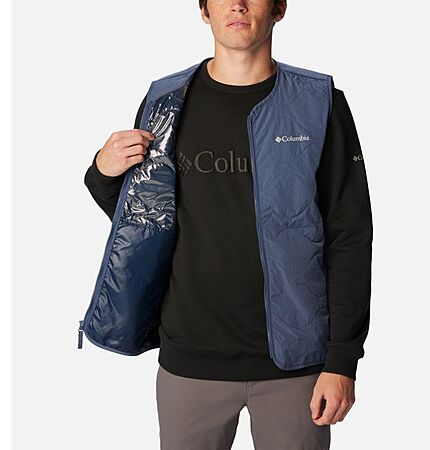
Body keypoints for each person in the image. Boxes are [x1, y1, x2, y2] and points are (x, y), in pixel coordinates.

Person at [83, 1, 373, 449]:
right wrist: (102, 172)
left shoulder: (319, 102)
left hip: (296, 364)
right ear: (204, 11)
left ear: (279, 9)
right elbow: (145, 218)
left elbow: (349, 234)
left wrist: (342, 359)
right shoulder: (166, 100)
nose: (237, 4)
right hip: (190, 360)